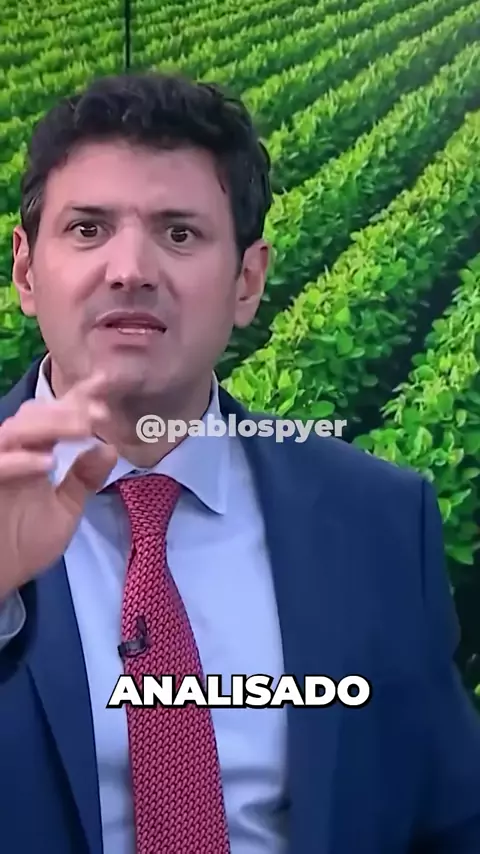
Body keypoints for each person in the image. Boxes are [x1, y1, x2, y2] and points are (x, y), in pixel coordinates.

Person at [0, 70, 479, 854]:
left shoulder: (381, 522)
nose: (129, 268)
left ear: (248, 282)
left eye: (180, 234)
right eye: (87, 229)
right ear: (26, 271)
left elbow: (451, 819)